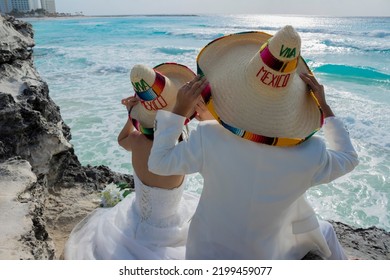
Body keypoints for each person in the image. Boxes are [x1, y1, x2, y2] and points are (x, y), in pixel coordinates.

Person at [148, 25, 359, 259]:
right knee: (325, 232)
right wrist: (325, 107)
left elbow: (159, 162)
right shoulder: (311, 154)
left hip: (205, 252)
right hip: (263, 257)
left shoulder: (209, 137)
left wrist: (178, 111)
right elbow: (349, 158)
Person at [63, 62, 205, 260]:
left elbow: (121, 141)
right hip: (169, 228)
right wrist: (196, 113)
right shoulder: (182, 149)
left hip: (136, 217)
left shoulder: (137, 141)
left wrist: (132, 117)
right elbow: (207, 151)